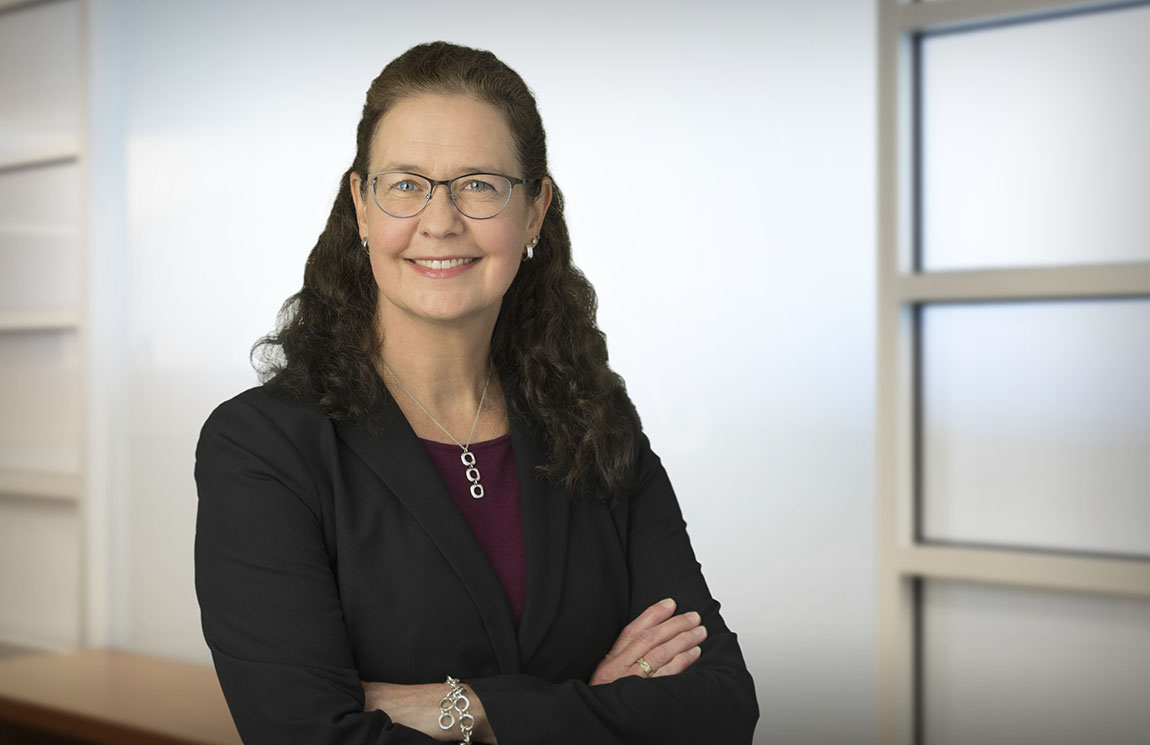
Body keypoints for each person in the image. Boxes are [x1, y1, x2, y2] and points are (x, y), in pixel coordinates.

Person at [194, 41, 758, 745]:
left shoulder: (595, 424)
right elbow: (306, 735)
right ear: (360, 207)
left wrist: (465, 710)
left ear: (534, 210)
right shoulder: (263, 448)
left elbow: (722, 705)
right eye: (405, 184)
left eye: (479, 184)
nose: (439, 220)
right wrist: (587, 704)